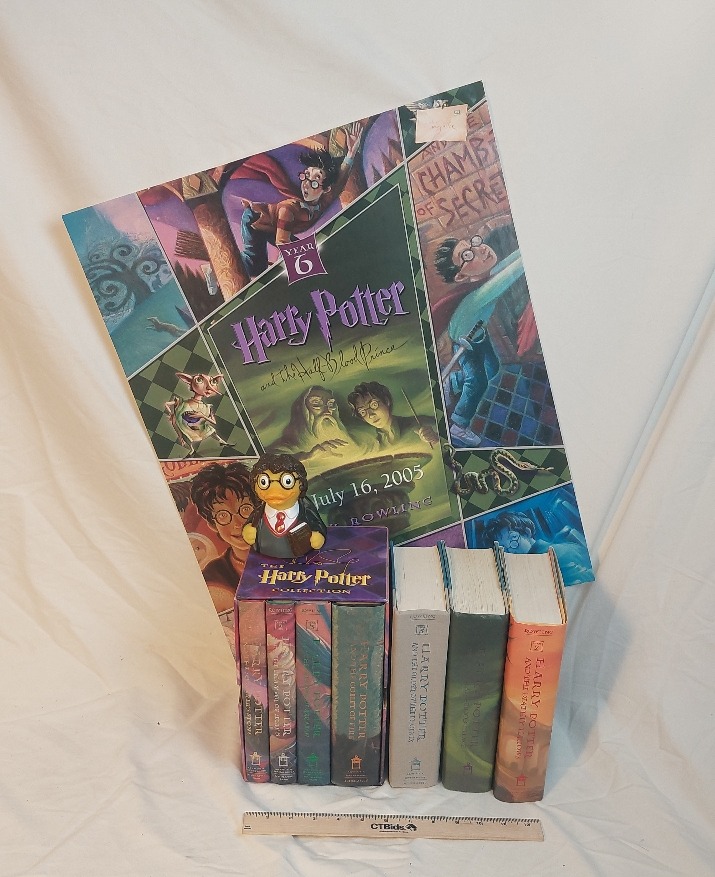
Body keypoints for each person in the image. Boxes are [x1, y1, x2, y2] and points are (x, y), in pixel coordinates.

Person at [240, 123, 364, 277]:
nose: (306, 184)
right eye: (306, 176)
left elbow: (339, 182)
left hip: (275, 226)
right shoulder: (289, 209)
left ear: (326, 189)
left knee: (301, 252)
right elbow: (282, 243)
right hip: (255, 221)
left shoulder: (323, 200)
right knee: (255, 264)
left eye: (314, 181)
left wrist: (351, 153)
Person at [190, 461, 255, 610]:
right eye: (223, 515)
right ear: (213, 524)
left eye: (245, 509)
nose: (238, 524)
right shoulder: (214, 577)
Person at [242, 453, 327, 559]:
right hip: (265, 558)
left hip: (301, 561)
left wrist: (318, 535)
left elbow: (317, 523)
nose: (274, 491)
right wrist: (247, 530)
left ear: (301, 483)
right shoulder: (258, 514)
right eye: (263, 482)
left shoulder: (306, 510)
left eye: (287, 481)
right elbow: (250, 523)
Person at [268, 385, 359, 470]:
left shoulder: (353, 438)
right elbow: (270, 464)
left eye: (330, 404)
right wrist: (307, 456)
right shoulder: (284, 447)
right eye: (316, 403)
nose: (327, 411)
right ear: (302, 410)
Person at [347, 381, 438, 452]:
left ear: (386, 401)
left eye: (374, 405)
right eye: (363, 412)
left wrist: (434, 438)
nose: (370, 415)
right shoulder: (376, 443)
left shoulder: (417, 423)